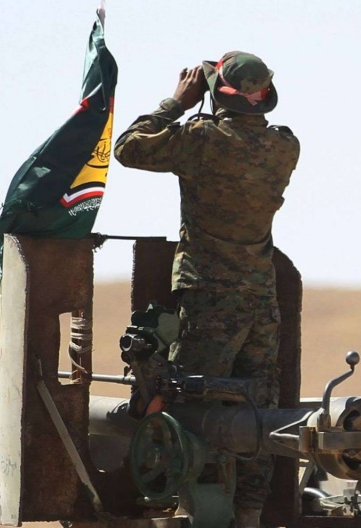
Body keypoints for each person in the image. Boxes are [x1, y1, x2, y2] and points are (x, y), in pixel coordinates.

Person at [113, 51, 300, 528]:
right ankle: (250, 515)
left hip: (209, 296)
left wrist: (177, 102)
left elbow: (129, 148)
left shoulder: (201, 139)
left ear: (218, 95)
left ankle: (191, 510)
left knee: (191, 405)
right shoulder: (284, 147)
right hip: (261, 300)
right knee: (258, 414)